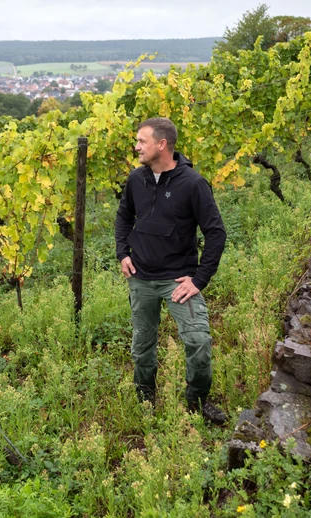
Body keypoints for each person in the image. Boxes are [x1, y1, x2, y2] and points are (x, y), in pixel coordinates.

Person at [115, 117, 228, 424]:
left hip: (178, 280)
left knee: (198, 342)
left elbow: (215, 233)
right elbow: (123, 218)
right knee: (142, 345)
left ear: (161, 145)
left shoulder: (193, 184)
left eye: (142, 141)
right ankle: (145, 399)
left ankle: (197, 402)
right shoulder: (136, 179)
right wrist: (122, 252)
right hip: (141, 278)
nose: (136, 147)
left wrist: (199, 279)